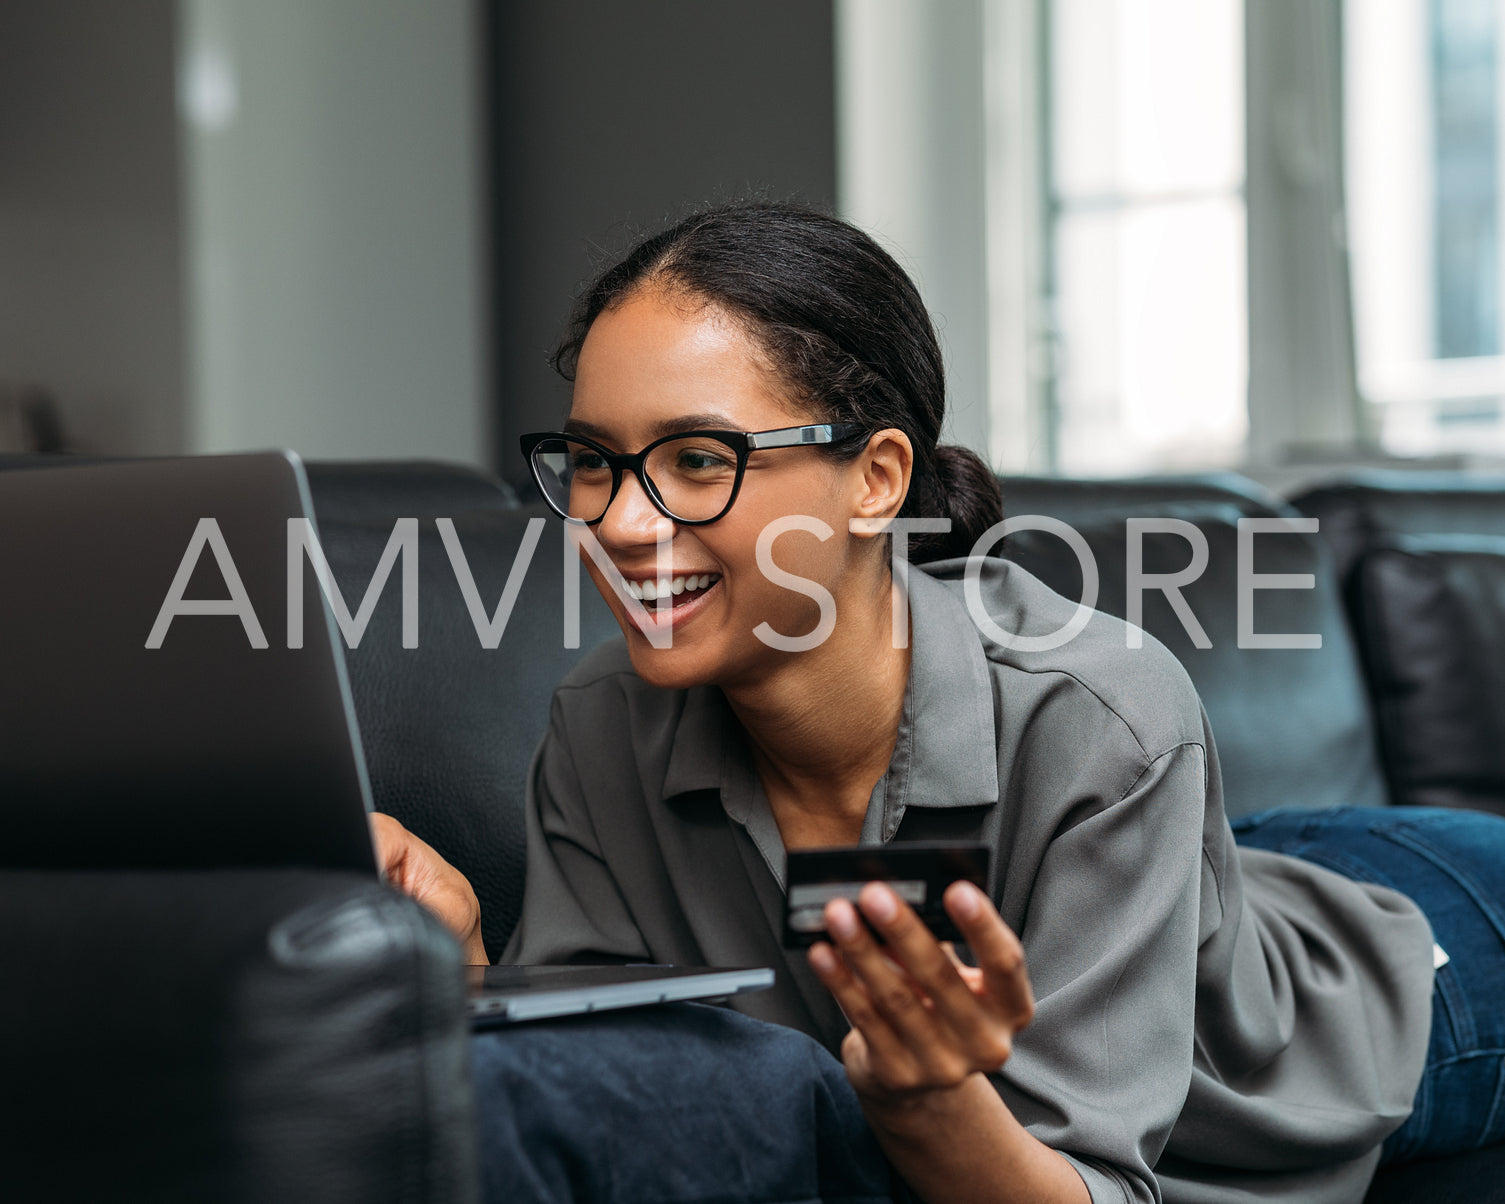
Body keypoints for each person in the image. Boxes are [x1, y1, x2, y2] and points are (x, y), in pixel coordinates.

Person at [373, 202, 1505, 1203]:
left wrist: (925, 1101)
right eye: (589, 459)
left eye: (698, 459)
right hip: (1214, 879)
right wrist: (471, 963)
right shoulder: (603, 719)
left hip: (1423, 970)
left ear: (873, 479)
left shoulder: (1100, 713)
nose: (619, 521)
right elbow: (608, 1078)